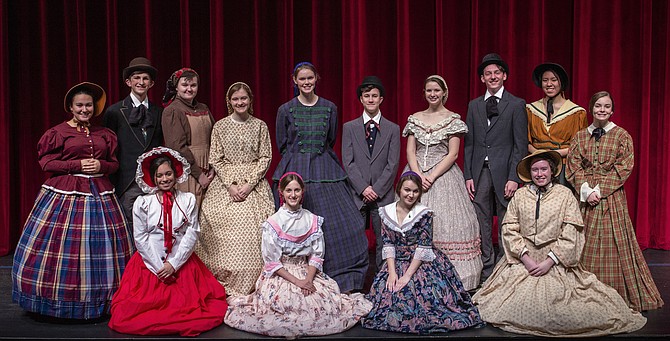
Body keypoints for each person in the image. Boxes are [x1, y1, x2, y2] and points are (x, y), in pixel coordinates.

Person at [472, 150, 646, 337]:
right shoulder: (520, 195)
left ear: (552, 170)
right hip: (524, 260)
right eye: (535, 170)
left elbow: (572, 232)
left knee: (565, 309)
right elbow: (509, 229)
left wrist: (549, 261)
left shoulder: (565, 195)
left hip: (555, 261)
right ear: (529, 173)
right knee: (501, 304)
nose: (539, 174)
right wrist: (526, 258)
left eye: (544, 169)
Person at [12, 82, 133, 319]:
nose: (84, 109)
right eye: (80, 105)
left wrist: (101, 165)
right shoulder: (58, 133)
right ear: (71, 107)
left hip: (100, 192)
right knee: (63, 245)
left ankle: (104, 300)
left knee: (100, 247)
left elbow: (114, 163)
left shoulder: (105, 134)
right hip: (65, 192)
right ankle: (58, 300)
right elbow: (46, 163)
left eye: (88, 105)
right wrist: (76, 165)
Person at [224, 172, 372, 338]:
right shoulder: (274, 222)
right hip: (282, 275)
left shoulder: (311, 219)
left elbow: (316, 255)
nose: (293, 195)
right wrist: (298, 282)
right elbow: (272, 262)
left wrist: (308, 280)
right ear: (282, 193)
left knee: (322, 305)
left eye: (296, 190)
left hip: (306, 271)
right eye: (288, 190)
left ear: (303, 191)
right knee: (286, 303)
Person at [108, 147, 228, 336]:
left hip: (181, 262)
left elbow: (192, 232)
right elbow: (140, 238)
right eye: (160, 175)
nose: (165, 179)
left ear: (176, 173)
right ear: (153, 178)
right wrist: (158, 267)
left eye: (168, 174)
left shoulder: (188, 199)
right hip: (149, 264)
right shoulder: (143, 203)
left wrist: (173, 264)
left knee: (191, 308)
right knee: (131, 314)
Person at [271, 62, 369, 292]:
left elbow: (331, 139)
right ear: (294, 81)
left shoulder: (329, 108)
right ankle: (294, 277)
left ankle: (339, 277)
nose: (306, 82)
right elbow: (282, 144)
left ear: (317, 79)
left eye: (310, 78)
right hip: (295, 166)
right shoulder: (286, 109)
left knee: (344, 226)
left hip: (325, 168)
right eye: (302, 79)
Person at [566, 91, 664, 311]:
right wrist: (586, 190)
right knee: (584, 242)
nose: (602, 110)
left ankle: (616, 294)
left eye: (607, 106)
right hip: (585, 198)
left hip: (611, 198)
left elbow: (624, 167)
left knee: (613, 242)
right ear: (591, 108)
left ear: (612, 110)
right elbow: (574, 166)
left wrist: (600, 191)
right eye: (598, 106)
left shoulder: (622, 136)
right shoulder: (580, 136)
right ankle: (582, 293)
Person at [361, 171, 484, 334]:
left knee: (422, 296)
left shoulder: (424, 214)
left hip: (419, 261)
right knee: (388, 294)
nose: (410, 195)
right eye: (407, 190)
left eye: (415, 191)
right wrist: (392, 273)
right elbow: (389, 243)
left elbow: (423, 247)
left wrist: (406, 276)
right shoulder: (387, 212)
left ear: (420, 192)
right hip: (397, 260)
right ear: (399, 189)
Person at [402, 75, 483, 290]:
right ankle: (415, 276)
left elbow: (453, 154)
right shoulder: (415, 118)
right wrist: (418, 176)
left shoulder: (453, 120)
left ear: (444, 93)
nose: (433, 94)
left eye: (436, 90)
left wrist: (432, 176)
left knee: (448, 224)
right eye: (429, 90)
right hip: (416, 175)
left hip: (444, 176)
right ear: (424, 93)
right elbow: (410, 150)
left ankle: (450, 279)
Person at [197, 82, 275, 296]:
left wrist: (249, 185)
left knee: (255, 231)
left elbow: (265, 157)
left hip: (254, 184)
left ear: (250, 100)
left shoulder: (260, 125)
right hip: (225, 183)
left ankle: (252, 284)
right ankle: (221, 284)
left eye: (243, 98)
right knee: (212, 221)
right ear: (229, 102)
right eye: (235, 99)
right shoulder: (220, 126)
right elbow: (216, 158)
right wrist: (231, 186)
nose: (240, 102)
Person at [464, 53, 528, 283]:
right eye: (488, 74)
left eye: (497, 73)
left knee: (506, 219)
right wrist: (468, 175)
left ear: (505, 76)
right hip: (480, 171)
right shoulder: (474, 106)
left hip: (504, 173)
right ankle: (486, 266)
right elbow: (469, 143)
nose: (493, 77)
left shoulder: (517, 104)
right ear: (482, 78)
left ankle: (504, 265)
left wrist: (514, 177)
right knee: (480, 218)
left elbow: (520, 146)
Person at [342, 76, 400, 270]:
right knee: (355, 240)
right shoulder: (349, 128)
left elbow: (392, 164)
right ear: (361, 99)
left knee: (384, 241)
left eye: (375, 96)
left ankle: (382, 280)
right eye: (367, 96)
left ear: (381, 99)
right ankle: (357, 279)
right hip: (357, 195)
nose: (371, 99)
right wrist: (363, 188)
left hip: (382, 195)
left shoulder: (393, 129)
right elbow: (348, 162)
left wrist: (376, 189)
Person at [103, 57, 164, 230]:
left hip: (153, 181)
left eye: (145, 78)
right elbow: (108, 148)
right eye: (137, 78)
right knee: (129, 228)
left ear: (151, 83)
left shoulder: (159, 112)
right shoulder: (114, 112)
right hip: (126, 181)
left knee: (154, 226)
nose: (141, 82)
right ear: (128, 82)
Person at [526, 62, 587, 190]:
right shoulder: (530, 110)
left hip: (562, 166)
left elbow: (579, 146)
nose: (549, 84)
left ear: (561, 83)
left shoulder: (576, 113)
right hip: (537, 164)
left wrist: (553, 154)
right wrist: (539, 154)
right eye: (545, 80)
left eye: (554, 80)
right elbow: (524, 141)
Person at [161, 67, 215, 207]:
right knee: (191, 213)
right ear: (176, 87)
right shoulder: (173, 110)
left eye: (193, 85)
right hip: (188, 172)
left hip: (210, 171)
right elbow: (177, 148)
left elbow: (216, 138)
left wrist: (214, 168)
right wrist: (199, 175)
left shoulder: (203, 108)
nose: (189, 89)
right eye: (185, 85)